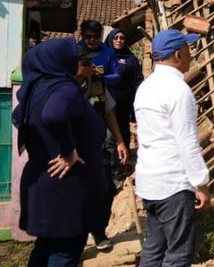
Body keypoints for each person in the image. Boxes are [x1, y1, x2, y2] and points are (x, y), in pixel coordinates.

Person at [13, 38, 106, 266]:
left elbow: (17, 118)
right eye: (75, 57)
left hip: (44, 185)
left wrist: (48, 145)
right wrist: (67, 151)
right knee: (64, 254)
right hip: (66, 192)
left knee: (44, 249)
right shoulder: (64, 88)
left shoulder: (34, 90)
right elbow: (54, 115)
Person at [134, 29, 210, 266]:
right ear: (178, 54)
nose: (191, 54)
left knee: (154, 248)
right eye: (188, 49)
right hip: (172, 185)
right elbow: (187, 142)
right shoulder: (178, 91)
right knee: (178, 254)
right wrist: (201, 183)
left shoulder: (145, 87)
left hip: (149, 182)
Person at [76, 47, 129, 251]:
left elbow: (108, 113)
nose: (92, 67)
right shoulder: (62, 86)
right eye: (86, 64)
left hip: (99, 146)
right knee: (79, 193)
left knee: (106, 188)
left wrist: (120, 141)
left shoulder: (97, 82)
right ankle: (76, 241)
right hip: (73, 152)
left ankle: (99, 232)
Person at [104, 28, 143, 147]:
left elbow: (137, 80)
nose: (119, 40)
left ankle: (123, 160)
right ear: (110, 40)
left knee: (123, 130)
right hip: (107, 100)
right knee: (109, 134)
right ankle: (109, 161)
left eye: (122, 38)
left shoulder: (131, 59)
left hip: (124, 102)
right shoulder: (104, 56)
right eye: (116, 38)